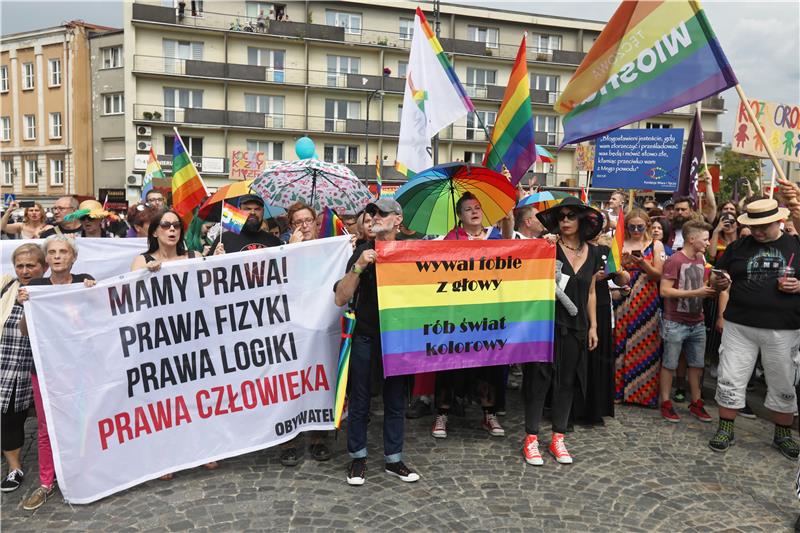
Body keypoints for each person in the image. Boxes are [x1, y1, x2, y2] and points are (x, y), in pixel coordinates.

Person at [334, 198, 419, 486]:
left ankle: (394, 460)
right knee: (359, 400)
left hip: (399, 339)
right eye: (372, 212)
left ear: (398, 219)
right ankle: (357, 457)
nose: (375, 216)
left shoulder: (412, 251)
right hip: (366, 336)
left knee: (396, 400)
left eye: (382, 212)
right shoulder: (360, 251)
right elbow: (340, 298)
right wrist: (358, 266)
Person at [709, 198, 800, 459]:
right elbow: (717, 275)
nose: (758, 232)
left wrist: (798, 286)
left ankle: (783, 433)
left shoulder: (796, 244)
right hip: (740, 324)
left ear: (778, 221)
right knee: (730, 376)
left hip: (782, 327)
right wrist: (719, 281)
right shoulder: (739, 245)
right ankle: (726, 428)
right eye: (755, 226)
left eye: (765, 226)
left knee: (783, 378)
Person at [521, 197, 603, 466]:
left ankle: (558, 437)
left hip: (577, 326)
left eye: (570, 216)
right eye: (561, 217)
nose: (565, 221)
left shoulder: (593, 253)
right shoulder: (547, 247)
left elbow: (591, 291)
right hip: (545, 323)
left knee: (567, 381)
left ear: (581, 220)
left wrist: (594, 326)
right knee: (539, 379)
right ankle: (531, 438)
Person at [18, 236, 96, 511]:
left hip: (78, 367)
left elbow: (95, 321)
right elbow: (25, 331)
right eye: (52, 252)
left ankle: (82, 474)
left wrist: (91, 293)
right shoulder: (36, 287)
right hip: (45, 369)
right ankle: (46, 482)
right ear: (47, 259)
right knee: (45, 427)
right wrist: (27, 305)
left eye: (63, 252)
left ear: (73, 257)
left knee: (82, 421)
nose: (58, 256)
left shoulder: (85, 279)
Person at [432, 192, 512, 440]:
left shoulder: (494, 235)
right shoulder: (451, 238)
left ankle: (489, 414)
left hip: (487, 312)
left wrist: (509, 218)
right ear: (460, 215)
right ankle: (442, 415)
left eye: (478, 207)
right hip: (457, 313)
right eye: (468, 209)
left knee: (487, 364)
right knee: (448, 365)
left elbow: (511, 252)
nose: (475, 212)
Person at [277, 202, 332, 466]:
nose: (304, 225)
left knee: (318, 380)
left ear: (316, 223)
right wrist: (292, 249)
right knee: (291, 383)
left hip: (319, 328)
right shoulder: (284, 250)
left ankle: (318, 437)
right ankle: (288, 439)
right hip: (293, 327)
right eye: (298, 222)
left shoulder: (327, 250)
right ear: (291, 226)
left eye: (308, 220)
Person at [659, 220, 719, 423]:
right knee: (670, 364)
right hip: (675, 322)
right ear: (692, 239)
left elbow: (702, 283)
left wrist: (715, 285)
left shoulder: (701, 259)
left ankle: (696, 402)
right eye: (704, 239)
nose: (707, 242)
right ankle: (666, 403)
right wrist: (697, 292)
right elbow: (664, 290)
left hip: (697, 321)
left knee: (697, 365)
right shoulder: (675, 260)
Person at [0, 244, 46, 493]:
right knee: (9, 418)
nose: (25, 270)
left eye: (31, 265)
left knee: (47, 420)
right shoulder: (6, 287)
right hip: (6, 365)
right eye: (20, 265)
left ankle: (58, 465)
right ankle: (14, 468)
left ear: (44, 266)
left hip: (39, 369)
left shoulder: (54, 290)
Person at [613, 208, 665, 407]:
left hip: (646, 300)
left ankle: (641, 394)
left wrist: (643, 263)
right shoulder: (620, 243)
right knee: (619, 342)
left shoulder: (655, 245)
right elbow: (611, 270)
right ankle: (618, 391)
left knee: (644, 343)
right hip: (622, 295)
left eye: (639, 226)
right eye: (631, 226)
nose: (635, 230)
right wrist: (622, 265)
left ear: (647, 226)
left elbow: (658, 275)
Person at [212, 195, 282, 254]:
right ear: (239, 210)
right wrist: (215, 259)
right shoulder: (223, 240)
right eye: (247, 209)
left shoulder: (274, 241)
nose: (252, 212)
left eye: (257, 209)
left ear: (263, 211)